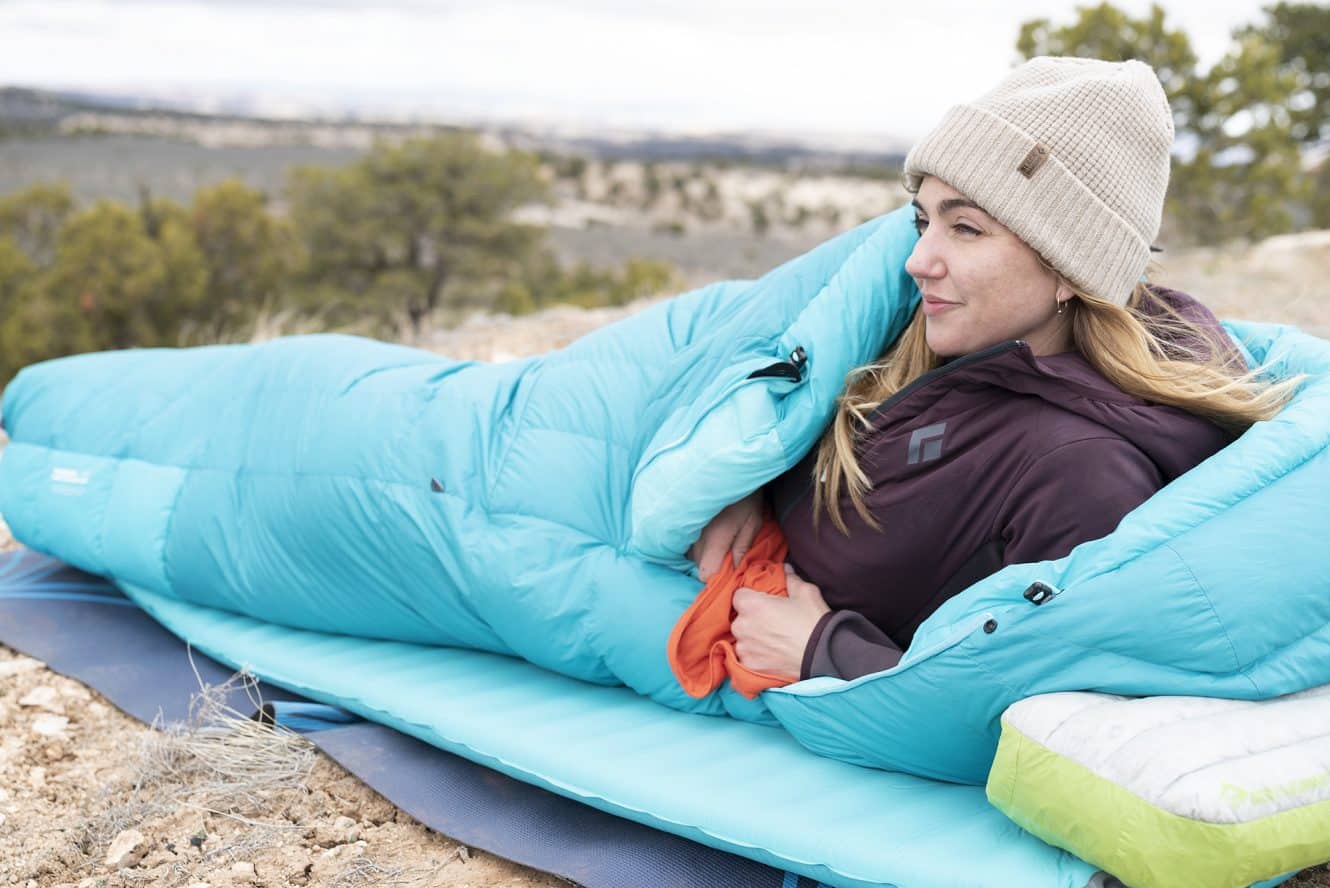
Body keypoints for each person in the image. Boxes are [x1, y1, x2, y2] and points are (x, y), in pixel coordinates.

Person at [686, 56, 1302, 685]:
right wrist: (747, 479)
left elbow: (1042, 712)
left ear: (1069, 268)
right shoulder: (935, 341)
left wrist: (824, 653)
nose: (918, 260)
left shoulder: (1080, 473)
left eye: (967, 228)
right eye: (924, 222)